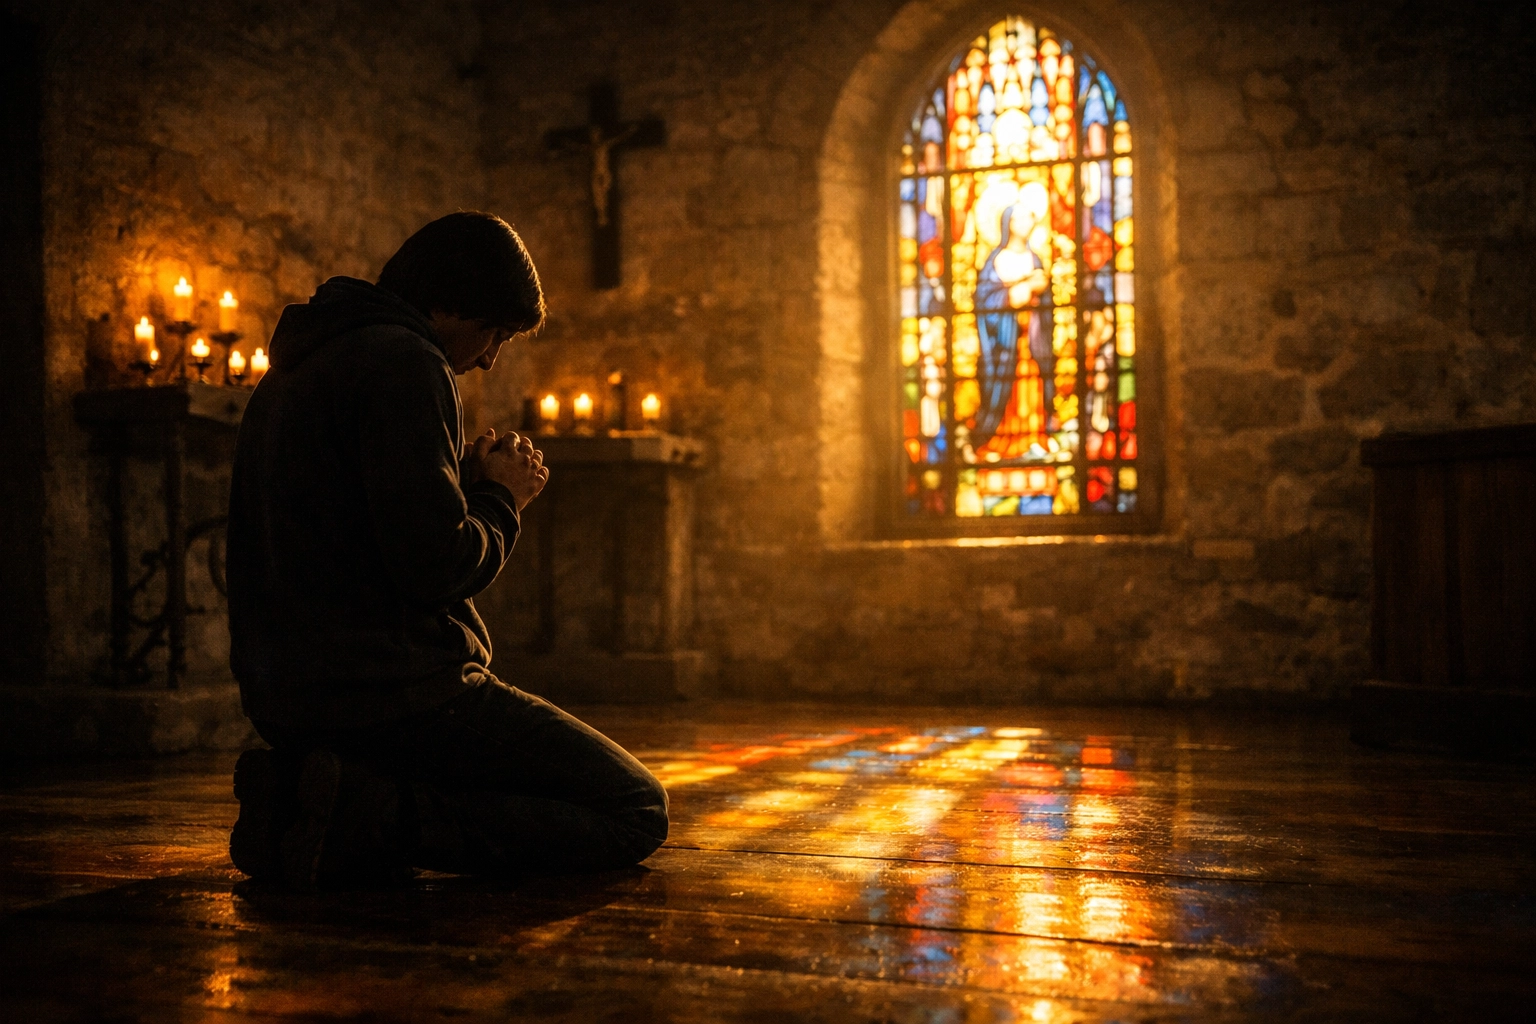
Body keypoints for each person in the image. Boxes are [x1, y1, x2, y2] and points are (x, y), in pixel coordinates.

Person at [225, 211, 668, 889]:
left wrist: (459, 480)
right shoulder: (408, 359)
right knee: (635, 808)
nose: (490, 356)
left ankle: (308, 792)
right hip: (392, 695)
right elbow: (437, 565)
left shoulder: (302, 361)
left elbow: (348, 530)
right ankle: (362, 815)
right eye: (494, 331)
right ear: (449, 301)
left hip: (289, 695)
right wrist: (502, 498)